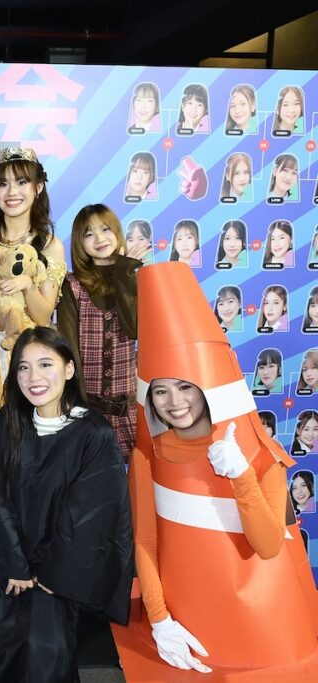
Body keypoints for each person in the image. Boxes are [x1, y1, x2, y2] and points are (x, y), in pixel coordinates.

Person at [120, 261, 318, 676]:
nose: (174, 402)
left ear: (207, 387)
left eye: (185, 386)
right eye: (160, 390)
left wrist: (241, 474)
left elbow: (268, 545)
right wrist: (159, 619)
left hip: (265, 631)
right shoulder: (146, 456)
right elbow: (145, 543)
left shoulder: (260, 453)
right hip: (187, 627)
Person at [0, 326, 133, 682]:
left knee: (46, 663)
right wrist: (15, 565)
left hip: (56, 580)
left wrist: (51, 575)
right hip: (5, 570)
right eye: (23, 367)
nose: (34, 377)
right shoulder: (8, 422)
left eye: (46, 364)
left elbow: (90, 516)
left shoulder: (94, 434)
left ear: (69, 369)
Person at [0, 147, 67, 415]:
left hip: (24, 359)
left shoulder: (49, 245)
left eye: (21, 182)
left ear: (38, 187)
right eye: (3, 184)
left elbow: (43, 316)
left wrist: (28, 286)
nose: (12, 192)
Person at [58, 204, 140, 461]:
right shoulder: (72, 285)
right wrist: (78, 407)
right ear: (79, 243)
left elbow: (134, 328)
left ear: (117, 232)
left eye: (105, 229)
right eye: (89, 234)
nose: (99, 239)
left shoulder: (135, 277)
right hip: (88, 410)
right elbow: (69, 348)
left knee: (138, 480)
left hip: (130, 411)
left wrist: (125, 274)